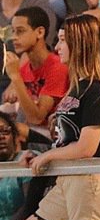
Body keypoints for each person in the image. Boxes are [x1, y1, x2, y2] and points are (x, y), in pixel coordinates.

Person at [10, 15, 100, 220]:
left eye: (63, 40)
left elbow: (87, 147)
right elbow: (67, 142)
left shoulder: (98, 88)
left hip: (92, 179)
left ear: (80, 43)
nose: (58, 46)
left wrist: (49, 156)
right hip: (69, 179)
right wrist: (43, 156)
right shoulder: (77, 86)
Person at [1, 7, 67, 140]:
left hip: (58, 135)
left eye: (20, 31)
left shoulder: (57, 67)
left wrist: (16, 78)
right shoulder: (25, 68)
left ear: (40, 32)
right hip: (35, 133)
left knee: (14, 130)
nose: (14, 38)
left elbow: (37, 117)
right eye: (13, 31)